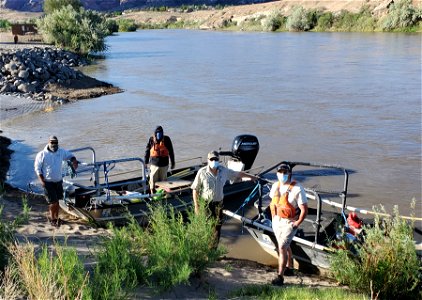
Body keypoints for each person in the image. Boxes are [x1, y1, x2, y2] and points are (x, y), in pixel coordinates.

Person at [191, 150, 258, 246]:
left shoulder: (224, 171)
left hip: (219, 203)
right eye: (212, 159)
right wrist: (196, 206)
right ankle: (205, 247)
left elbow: (237, 174)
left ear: (219, 160)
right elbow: (195, 189)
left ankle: (213, 249)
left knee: (217, 227)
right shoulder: (202, 172)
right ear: (208, 160)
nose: (214, 161)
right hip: (206, 203)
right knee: (206, 226)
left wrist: (253, 177)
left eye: (216, 159)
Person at [269, 163, 308, 286]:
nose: (282, 174)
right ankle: (289, 267)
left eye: (285, 172)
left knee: (281, 247)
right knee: (284, 245)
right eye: (280, 172)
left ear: (290, 173)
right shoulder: (275, 186)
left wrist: (297, 223)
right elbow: (273, 202)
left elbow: (304, 209)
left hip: (289, 223)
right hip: (277, 220)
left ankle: (280, 277)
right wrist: (274, 217)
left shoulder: (297, 189)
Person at [34, 136, 78, 227]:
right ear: (48, 142)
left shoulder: (61, 152)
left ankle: (56, 218)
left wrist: (74, 161)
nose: (54, 144)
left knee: (57, 201)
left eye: (55, 142)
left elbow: (70, 155)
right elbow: (37, 168)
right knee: (52, 202)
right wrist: (42, 181)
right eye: (52, 142)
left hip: (58, 181)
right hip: (48, 182)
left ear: (57, 143)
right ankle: (52, 219)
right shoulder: (42, 154)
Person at [144, 125, 175, 193]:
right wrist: (145, 163)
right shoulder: (151, 139)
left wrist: (173, 163)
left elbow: (171, 151)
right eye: (158, 132)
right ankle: (152, 193)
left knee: (163, 182)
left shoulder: (167, 139)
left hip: (164, 165)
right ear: (155, 133)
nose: (159, 134)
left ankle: (164, 195)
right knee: (152, 181)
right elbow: (147, 151)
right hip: (154, 165)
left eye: (161, 132)